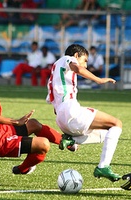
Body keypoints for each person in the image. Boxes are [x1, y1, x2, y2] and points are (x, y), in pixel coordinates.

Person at [0, 55, 73, 175]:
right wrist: (17, 122)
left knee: (34, 124)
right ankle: (22, 169)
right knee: (43, 144)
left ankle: (68, 143)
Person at [46, 44, 122, 182]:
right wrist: (99, 80)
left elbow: (54, 105)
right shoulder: (67, 59)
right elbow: (78, 68)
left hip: (61, 118)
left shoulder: (55, 69)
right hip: (70, 110)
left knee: (108, 134)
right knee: (117, 123)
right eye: (85, 60)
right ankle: (103, 166)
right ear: (76, 55)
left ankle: (71, 140)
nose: (86, 65)